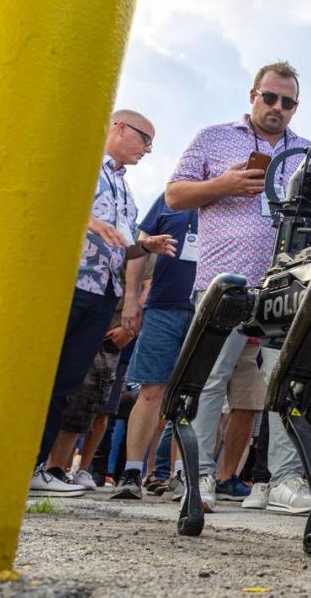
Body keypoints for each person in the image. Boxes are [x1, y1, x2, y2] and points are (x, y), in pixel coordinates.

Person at [165, 61, 311, 513]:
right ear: (253, 94)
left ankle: (284, 479)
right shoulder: (213, 137)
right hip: (222, 278)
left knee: (284, 381)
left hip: (284, 285)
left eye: (287, 102)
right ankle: (196, 474)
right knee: (210, 379)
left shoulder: (306, 150)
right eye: (270, 97)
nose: (278, 107)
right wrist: (222, 184)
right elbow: (174, 195)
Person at [30, 110, 176, 497]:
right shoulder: (82, 167)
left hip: (101, 296)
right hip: (67, 286)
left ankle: (38, 467)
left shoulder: (125, 190)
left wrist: (145, 246)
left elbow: (121, 246)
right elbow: (49, 204)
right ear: (120, 128)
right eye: (145, 139)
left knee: (68, 383)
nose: (148, 149)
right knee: (37, 375)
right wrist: (89, 221)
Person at [110, 193, 198, 500]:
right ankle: (132, 471)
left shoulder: (234, 199)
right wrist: (132, 298)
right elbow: (141, 249)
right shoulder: (169, 199)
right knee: (150, 390)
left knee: (190, 395)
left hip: (207, 306)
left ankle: (180, 474)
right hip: (163, 305)